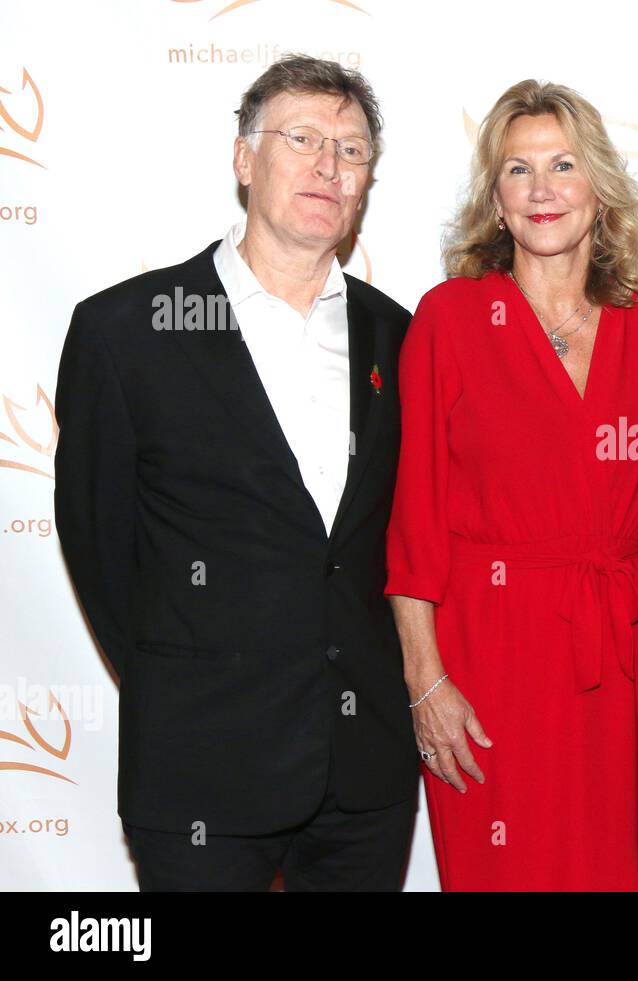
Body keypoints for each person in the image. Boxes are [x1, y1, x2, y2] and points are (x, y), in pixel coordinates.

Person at [53, 55, 418, 891]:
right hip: (198, 768)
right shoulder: (126, 331)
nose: (329, 165)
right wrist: (187, 675)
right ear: (244, 159)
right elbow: (99, 541)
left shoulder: (402, 339)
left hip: (364, 777)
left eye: (352, 150)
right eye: (302, 138)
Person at [385, 79, 638, 891]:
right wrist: (427, 684)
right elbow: (413, 525)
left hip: (619, 664)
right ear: (496, 200)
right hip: (489, 666)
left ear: (600, 186)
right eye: (518, 170)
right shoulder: (449, 320)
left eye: (562, 164)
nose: (542, 189)